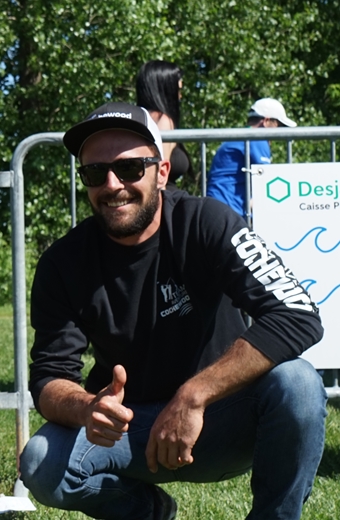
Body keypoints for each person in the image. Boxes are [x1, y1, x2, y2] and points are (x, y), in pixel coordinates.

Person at [19, 102, 326, 519]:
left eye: (130, 169)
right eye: (95, 173)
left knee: (299, 383)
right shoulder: (62, 262)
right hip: (131, 429)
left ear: (161, 172)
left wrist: (194, 395)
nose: (112, 184)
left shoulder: (208, 222)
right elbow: (50, 377)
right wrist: (88, 407)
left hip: (226, 419)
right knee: (42, 461)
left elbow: (297, 313)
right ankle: (147, 511)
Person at [207, 97, 296, 219]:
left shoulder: (241, 136)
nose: (279, 132)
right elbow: (266, 180)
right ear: (266, 121)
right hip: (230, 210)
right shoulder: (257, 138)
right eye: (278, 125)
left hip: (219, 208)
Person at [135, 60, 192, 190]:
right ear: (166, 90)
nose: (180, 96)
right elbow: (159, 177)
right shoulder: (163, 121)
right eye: (177, 89)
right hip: (165, 200)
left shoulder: (140, 118)